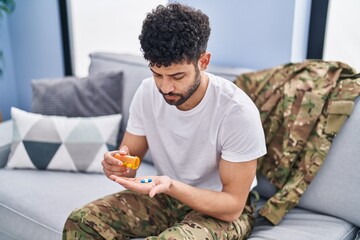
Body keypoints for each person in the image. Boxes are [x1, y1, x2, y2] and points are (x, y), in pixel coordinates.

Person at [63, 3, 266, 240]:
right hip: (164, 198)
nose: (165, 87)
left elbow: (232, 206)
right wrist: (118, 164)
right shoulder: (147, 92)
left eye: (177, 76)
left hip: (220, 209)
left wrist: (171, 185)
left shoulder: (236, 111)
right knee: (82, 221)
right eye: (157, 74)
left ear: (204, 61)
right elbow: (130, 163)